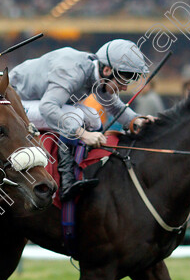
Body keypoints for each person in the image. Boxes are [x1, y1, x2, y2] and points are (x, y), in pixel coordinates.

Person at [10, 39, 153, 200]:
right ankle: (67, 180)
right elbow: (48, 108)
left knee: (93, 117)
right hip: (13, 103)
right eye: (123, 80)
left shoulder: (96, 72)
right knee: (76, 117)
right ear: (107, 70)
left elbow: (115, 106)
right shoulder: (72, 72)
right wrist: (83, 134)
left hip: (39, 101)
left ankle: (84, 166)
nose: (125, 87)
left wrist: (136, 120)